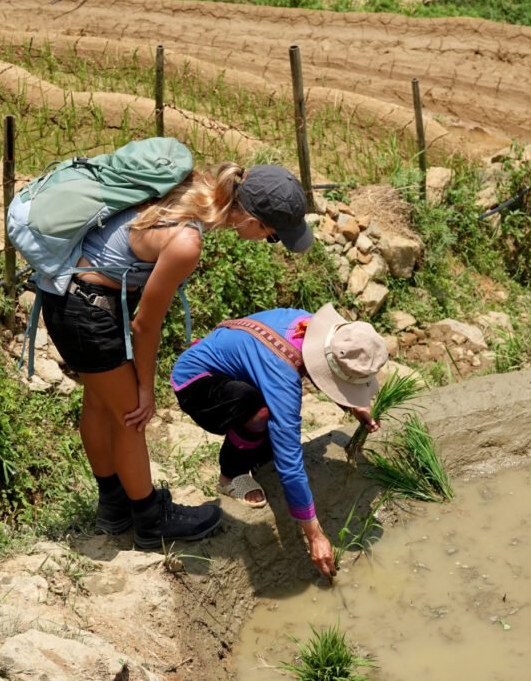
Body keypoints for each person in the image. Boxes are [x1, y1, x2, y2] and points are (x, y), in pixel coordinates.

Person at [27, 157, 312, 549]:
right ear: (254, 221)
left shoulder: (190, 187)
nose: (268, 242)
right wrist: (147, 389)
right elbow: (146, 325)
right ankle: (150, 520)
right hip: (88, 310)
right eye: (272, 236)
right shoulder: (186, 242)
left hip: (69, 295)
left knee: (99, 404)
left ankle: (113, 508)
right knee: (132, 417)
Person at [170, 303, 389, 578]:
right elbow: (290, 462)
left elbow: (322, 365)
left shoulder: (312, 328)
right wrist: (315, 535)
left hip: (241, 370)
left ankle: (254, 446)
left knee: (265, 417)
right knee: (261, 414)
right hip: (197, 382)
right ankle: (230, 476)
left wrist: (353, 406)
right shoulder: (282, 376)